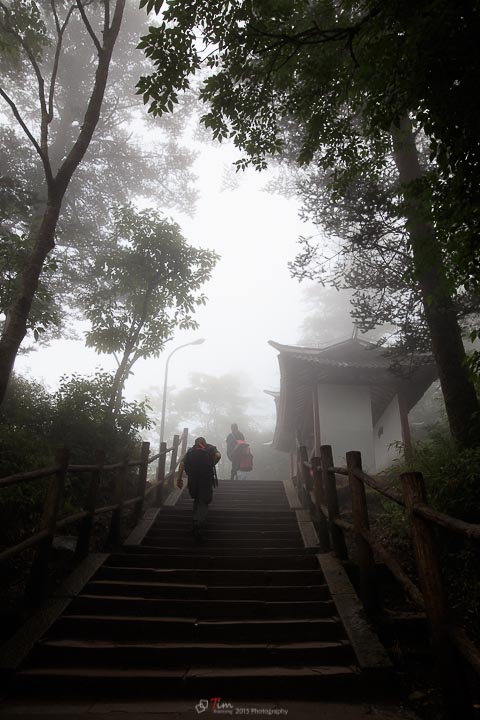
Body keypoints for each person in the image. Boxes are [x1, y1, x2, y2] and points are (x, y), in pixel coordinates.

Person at [177, 437, 221, 542]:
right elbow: (218, 455)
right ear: (205, 442)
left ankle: (194, 521)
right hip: (206, 479)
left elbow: (182, 463)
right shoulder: (210, 448)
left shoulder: (191, 450)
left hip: (193, 480)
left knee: (197, 499)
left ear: (196, 443)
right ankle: (198, 524)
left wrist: (179, 479)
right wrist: (212, 464)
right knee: (203, 502)